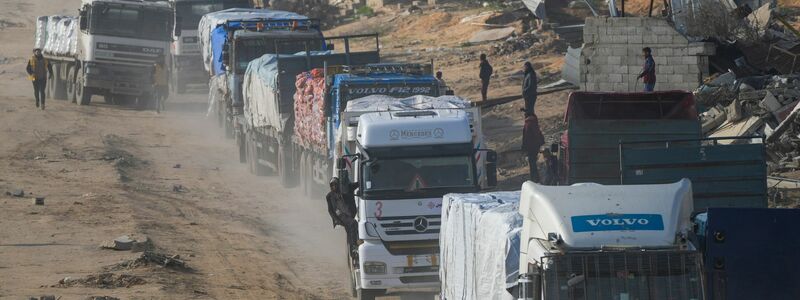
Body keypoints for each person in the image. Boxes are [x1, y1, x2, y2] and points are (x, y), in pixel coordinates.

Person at [326, 177, 358, 255]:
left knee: (350, 231)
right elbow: (330, 210)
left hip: (350, 214)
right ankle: (354, 247)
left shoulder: (346, 189)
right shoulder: (329, 196)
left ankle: (351, 253)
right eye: (332, 185)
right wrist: (336, 220)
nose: (334, 187)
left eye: (335, 184)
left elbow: (358, 184)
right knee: (353, 223)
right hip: (340, 217)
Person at [522, 113, 545, 183]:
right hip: (534, 146)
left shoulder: (528, 123)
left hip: (531, 146)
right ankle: (535, 178)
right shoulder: (533, 122)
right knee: (533, 162)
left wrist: (524, 147)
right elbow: (537, 133)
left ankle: (534, 178)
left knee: (532, 163)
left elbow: (525, 137)